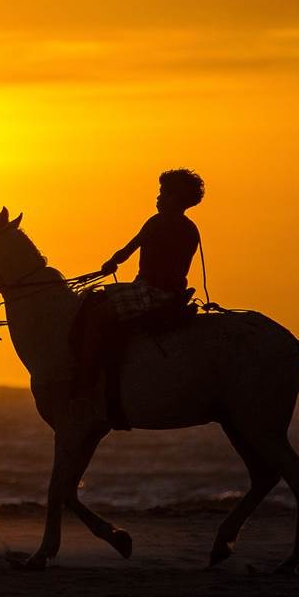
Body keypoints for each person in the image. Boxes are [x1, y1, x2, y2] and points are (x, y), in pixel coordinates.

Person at [71, 168, 205, 427]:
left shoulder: (158, 221)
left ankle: (85, 385)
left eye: (164, 193)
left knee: (97, 314)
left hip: (151, 292)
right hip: (171, 293)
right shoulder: (191, 229)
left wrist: (111, 263)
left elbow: (128, 249)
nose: (158, 198)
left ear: (177, 198)